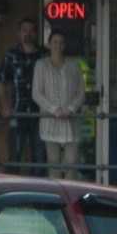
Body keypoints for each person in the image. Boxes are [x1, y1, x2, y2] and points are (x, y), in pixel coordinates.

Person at [32, 32, 86, 180]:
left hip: (71, 122)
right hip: (50, 122)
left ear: (64, 45)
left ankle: (71, 193)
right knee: (53, 164)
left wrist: (71, 109)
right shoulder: (41, 65)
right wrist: (53, 109)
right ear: (49, 44)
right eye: (55, 42)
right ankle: (56, 194)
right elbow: (36, 93)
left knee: (71, 164)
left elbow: (81, 93)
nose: (58, 45)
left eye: (61, 42)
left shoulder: (74, 65)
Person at [0, 18, 48, 175]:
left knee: (40, 156)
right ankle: (11, 189)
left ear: (36, 33)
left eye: (31, 30)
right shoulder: (11, 55)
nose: (28, 33)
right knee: (14, 155)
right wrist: (5, 105)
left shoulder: (44, 55)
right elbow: (2, 82)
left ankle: (38, 189)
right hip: (17, 112)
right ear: (19, 33)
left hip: (40, 113)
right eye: (25, 30)